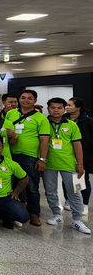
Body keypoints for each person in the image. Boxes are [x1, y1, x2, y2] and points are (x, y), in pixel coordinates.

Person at [41, 98, 90, 233]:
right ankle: (56, 214)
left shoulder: (72, 125)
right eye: (53, 107)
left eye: (59, 108)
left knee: (75, 191)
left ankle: (77, 219)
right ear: (48, 109)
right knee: (50, 191)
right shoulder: (44, 123)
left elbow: (77, 145)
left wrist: (80, 163)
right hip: (49, 164)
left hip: (70, 164)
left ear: (64, 109)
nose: (56, 110)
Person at [5, 89, 50, 226]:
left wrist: (42, 159)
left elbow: (44, 140)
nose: (26, 100)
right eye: (23, 97)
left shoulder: (41, 118)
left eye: (29, 98)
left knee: (32, 187)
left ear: (35, 101)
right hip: (10, 155)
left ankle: (34, 214)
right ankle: (13, 213)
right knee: (12, 184)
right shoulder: (11, 113)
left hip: (29, 157)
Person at [65, 97, 93, 211]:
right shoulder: (63, 119)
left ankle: (84, 203)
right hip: (66, 154)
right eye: (66, 105)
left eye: (70, 105)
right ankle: (69, 200)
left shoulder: (88, 121)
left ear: (78, 107)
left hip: (83, 155)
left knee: (82, 179)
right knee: (67, 179)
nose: (67, 107)